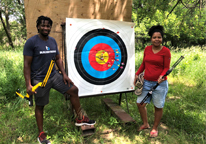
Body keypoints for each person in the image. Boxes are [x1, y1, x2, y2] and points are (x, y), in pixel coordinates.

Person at [23, 16, 96, 144]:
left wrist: (64, 74)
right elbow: (26, 65)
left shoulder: (52, 41)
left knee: (73, 90)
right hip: (40, 80)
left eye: (48, 26)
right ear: (38, 27)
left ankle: (80, 118)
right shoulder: (31, 42)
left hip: (54, 76)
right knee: (40, 106)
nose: (46, 28)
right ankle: (41, 134)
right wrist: (28, 84)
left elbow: (58, 59)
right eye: (43, 25)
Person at [133, 25, 171, 138]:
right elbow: (144, 64)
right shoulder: (147, 49)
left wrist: (162, 75)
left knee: (158, 106)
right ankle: (145, 124)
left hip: (160, 84)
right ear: (151, 38)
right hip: (146, 82)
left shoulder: (166, 51)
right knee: (140, 103)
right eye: (154, 37)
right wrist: (136, 74)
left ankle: (154, 128)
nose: (157, 39)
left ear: (162, 38)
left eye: (159, 37)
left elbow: (166, 67)